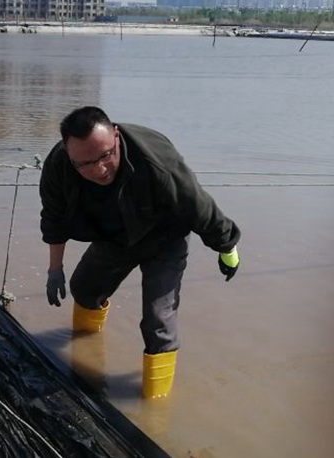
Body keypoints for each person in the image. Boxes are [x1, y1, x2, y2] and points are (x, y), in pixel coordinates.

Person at [39, 106, 241, 399]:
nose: (99, 169)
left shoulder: (155, 158)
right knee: (83, 289)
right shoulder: (59, 164)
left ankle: (155, 403)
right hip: (113, 236)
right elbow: (54, 218)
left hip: (165, 237)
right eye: (85, 163)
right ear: (69, 153)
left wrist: (227, 246)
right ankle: (86, 347)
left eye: (106, 155)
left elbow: (196, 204)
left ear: (116, 135)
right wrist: (54, 269)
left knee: (158, 321)